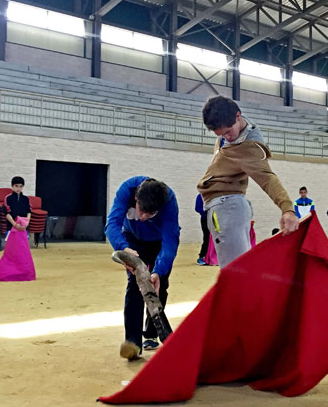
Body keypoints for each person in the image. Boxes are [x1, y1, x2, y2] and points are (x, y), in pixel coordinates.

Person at [196, 96, 298, 268]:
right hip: (226, 206)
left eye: (228, 132)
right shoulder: (228, 132)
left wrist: (287, 209)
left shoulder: (250, 147)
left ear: (238, 116)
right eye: (220, 135)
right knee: (237, 270)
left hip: (228, 207)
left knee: (234, 273)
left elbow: (268, 178)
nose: (226, 138)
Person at [105, 176, 180, 360]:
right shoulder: (127, 190)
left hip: (157, 242)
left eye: (150, 214)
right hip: (131, 241)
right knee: (134, 286)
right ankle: (133, 342)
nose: (142, 217)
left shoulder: (169, 201)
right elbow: (112, 224)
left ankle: (152, 333)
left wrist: (158, 271)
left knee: (159, 286)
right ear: (136, 199)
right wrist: (123, 248)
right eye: (141, 211)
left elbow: (170, 241)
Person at [195, 193, 209, 266]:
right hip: (205, 219)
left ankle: (214, 257)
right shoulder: (201, 196)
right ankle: (202, 256)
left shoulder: (216, 194)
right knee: (207, 237)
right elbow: (197, 208)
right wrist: (207, 214)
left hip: (216, 220)